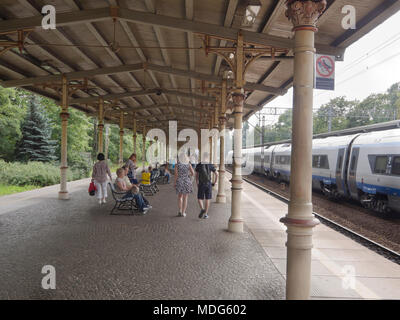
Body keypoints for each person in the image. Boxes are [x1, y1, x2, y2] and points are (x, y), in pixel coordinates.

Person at [195, 152, 218, 219]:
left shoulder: (199, 164)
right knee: (208, 199)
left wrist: (197, 182)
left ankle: (202, 208)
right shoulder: (210, 165)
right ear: (208, 157)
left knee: (200, 198)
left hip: (201, 183)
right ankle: (205, 214)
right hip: (208, 184)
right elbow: (217, 174)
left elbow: (196, 175)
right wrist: (214, 182)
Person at [174, 152, 194, 217]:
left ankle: (179, 210)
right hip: (187, 181)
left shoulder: (177, 164)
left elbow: (176, 175)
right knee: (185, 198)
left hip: (180, 181)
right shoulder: (188, 164)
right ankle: (183, 212)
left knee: (180, 197)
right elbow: (193, 173)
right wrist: (187, 175)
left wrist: (175, 183)